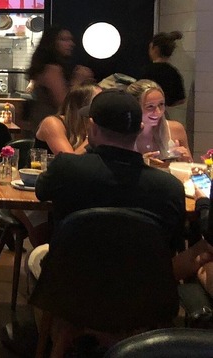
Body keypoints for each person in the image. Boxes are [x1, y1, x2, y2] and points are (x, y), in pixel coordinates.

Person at [32, 89, 213, 283]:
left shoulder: (66, 168)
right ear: (140, 128)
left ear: (92, 127)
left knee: (35, 257)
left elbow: (41, 191)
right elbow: (175, 241)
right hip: (144, 289)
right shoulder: (170, 188)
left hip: (72, 281)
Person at [25, 26, 93, 132]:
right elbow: (63, 103)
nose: (71, 44)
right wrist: (78, 81)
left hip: (45, 123)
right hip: (50, 125)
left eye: (71, 40)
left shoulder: (50, 67)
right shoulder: (51, 69)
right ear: (52, 43)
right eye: (64, 40)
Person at [126, 79, 191, 165]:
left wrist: (185, 160)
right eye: (150, 106)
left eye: (161, 104)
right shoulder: (121, 134)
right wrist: (142, 162)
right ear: (134, 107)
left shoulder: (176, 129)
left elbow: (191, 168)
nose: (158, 112)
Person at [34, 84, 100, 155]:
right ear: (82, 106)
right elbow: (68, 160)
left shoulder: (92, 126)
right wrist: (91, 139)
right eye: (98, 102)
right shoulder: (52, 123)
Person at [141, 31, 185, 107]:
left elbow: (138, 93)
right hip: (166, 112)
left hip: (148, 110)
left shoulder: (147, 71)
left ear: (155, 49)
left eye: (150, 47)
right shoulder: (173, 72)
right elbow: (181, 99)